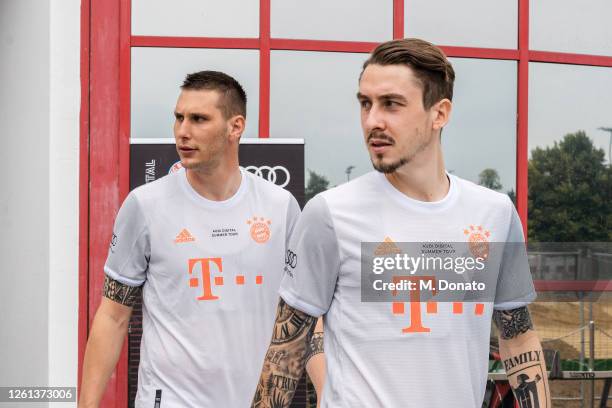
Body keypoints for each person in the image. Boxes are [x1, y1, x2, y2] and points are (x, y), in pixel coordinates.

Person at [252, 39, 551, 407]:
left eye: (391, 104)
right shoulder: (329, 213)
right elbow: (285, 354)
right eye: (365, 103)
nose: (372, 120)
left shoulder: (495, 213)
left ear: (439, 114)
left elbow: (518, 336)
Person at [79, 71, 320, 407]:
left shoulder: (281, 207)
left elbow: (305, 314)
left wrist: (322, 392)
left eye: (198, 119)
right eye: (179, 118)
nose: (183, 131)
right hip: (169, 399)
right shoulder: (145, 204)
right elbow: (113, 315)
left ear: (235, 127)